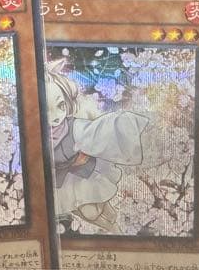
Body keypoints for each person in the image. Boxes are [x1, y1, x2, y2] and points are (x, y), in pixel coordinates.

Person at [45, 59, 147, 233]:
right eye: (47, 110)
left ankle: (114, 225)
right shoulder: (38, 137)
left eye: (61, 105)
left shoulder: (73, 126)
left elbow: (97, 131)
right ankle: (114, 229)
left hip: (85, 174)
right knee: (90, 213)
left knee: (101, 210)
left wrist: (124, 124)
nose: (56, 116)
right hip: (63, 182)